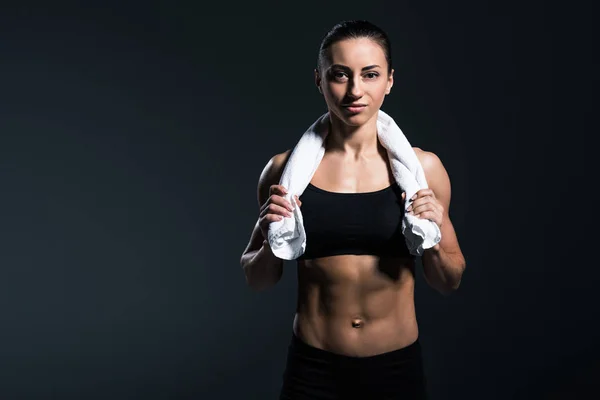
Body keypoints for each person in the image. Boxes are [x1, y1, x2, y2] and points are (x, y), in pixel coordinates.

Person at [240, 19, 466, 400]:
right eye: (340, 75)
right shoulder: (284, 171)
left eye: (370, 74)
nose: (355, 91)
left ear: (389, 81)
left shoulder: (423, 169)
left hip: (395, 368)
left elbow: (450, 280)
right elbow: (257, 279)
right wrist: (267, 238)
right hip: (314, 369)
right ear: (319, 79)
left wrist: (433, 232)